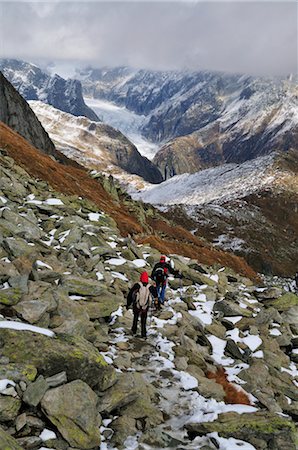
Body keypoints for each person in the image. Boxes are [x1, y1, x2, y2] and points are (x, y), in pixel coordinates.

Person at [126, 271, 157, 339]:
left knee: (135, 317)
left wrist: (128, 304)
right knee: (143, 319)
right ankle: (143, 334)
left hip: (136, 304)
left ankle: (134, 330)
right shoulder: (150, 287)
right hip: (145, 306)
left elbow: (130, 295)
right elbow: (155, 295)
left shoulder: (137, 285)